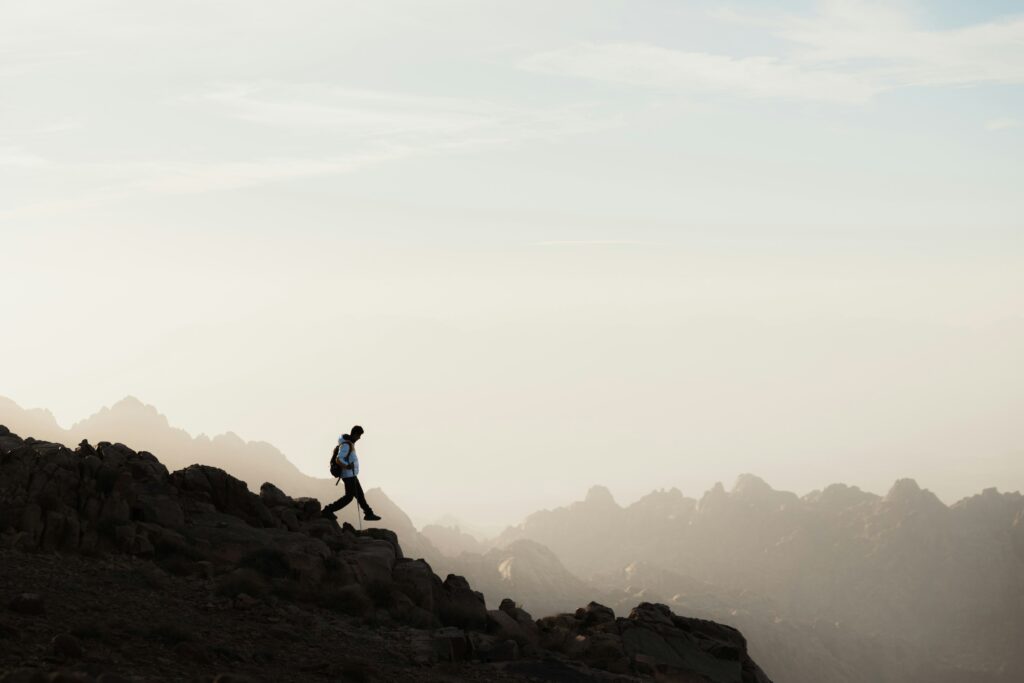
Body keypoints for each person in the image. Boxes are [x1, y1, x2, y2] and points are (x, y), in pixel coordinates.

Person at [322, 425, 382, 522]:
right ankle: (327, 510)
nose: (359, 438)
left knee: (360, 495)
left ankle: (369, 514)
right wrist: (347, 466)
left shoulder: (349, 444)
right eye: (359, 435)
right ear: (355, 434)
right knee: (349, 497)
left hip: (351, 474)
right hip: (348, 475)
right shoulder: (346, 445)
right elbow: (339, 459)